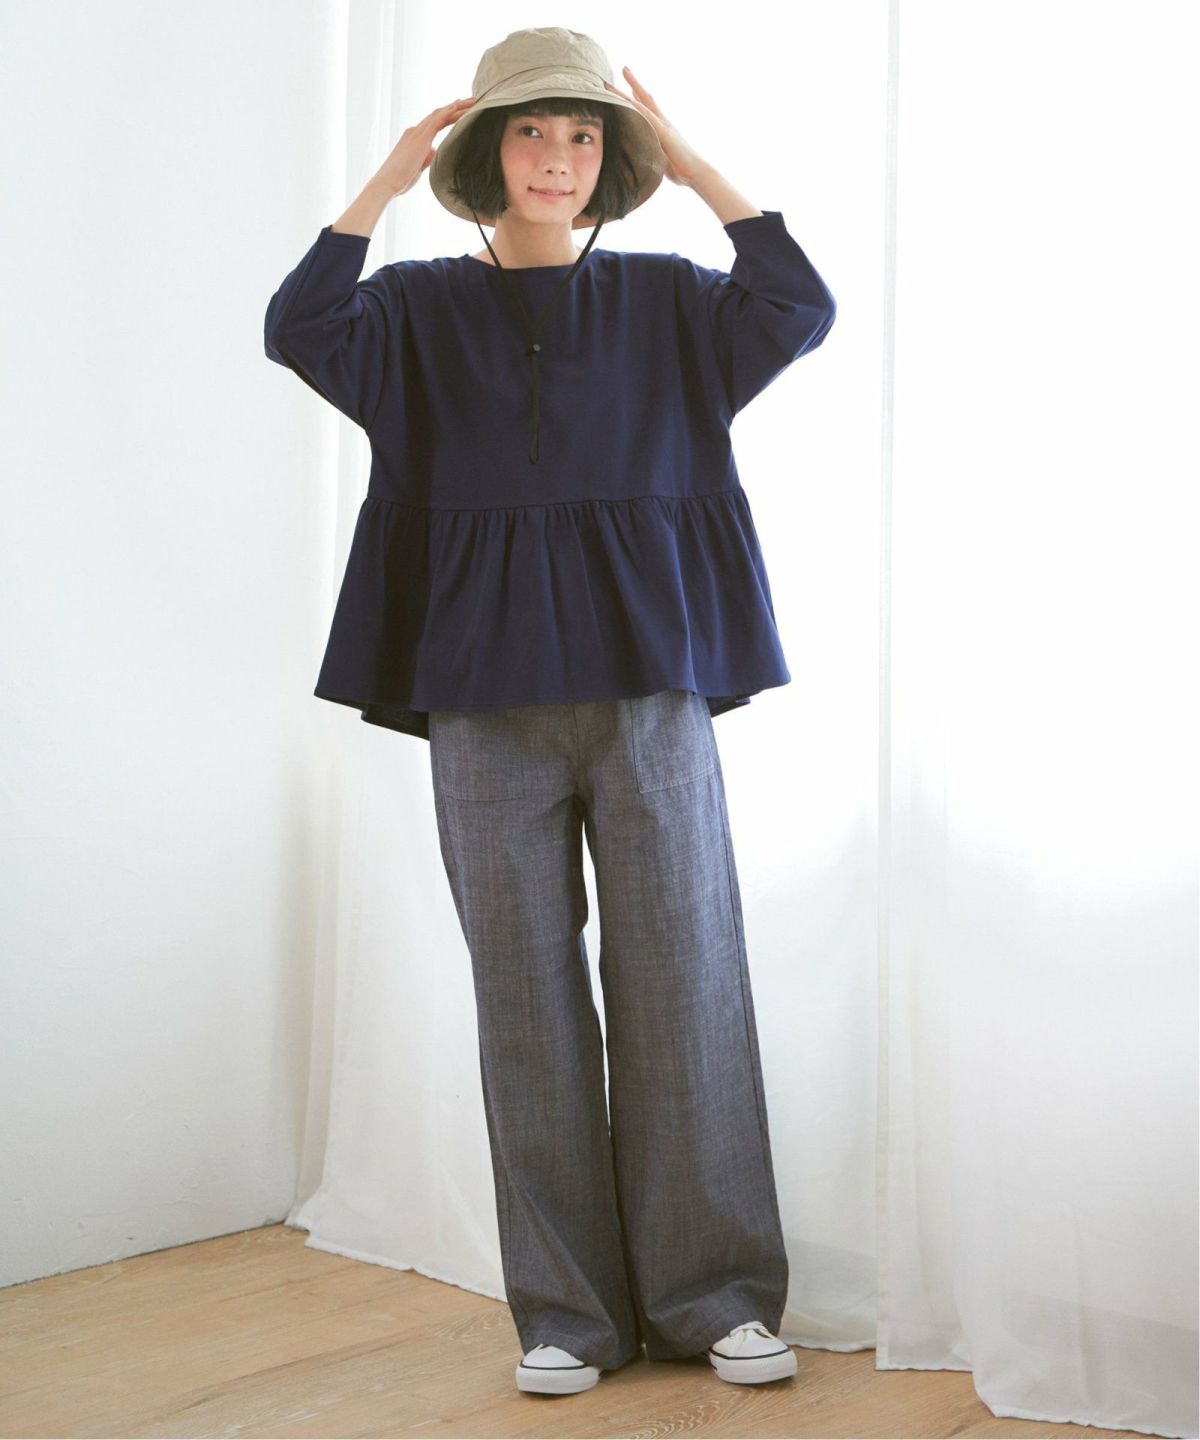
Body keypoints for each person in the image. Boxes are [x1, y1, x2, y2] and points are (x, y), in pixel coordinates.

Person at [264, 25, 836, 1398]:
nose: (559, 158)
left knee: (685, 987)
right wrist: (385, 179)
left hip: (649, 691)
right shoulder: (411, 310)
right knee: (524, 1005)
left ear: (612, 158)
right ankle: (567, 1315)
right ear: (484, 150)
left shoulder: (671, 301)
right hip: (483, 704)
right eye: (531, 131)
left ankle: (717, 1300)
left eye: (585, 135)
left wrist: (691, 164)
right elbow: (298, 328)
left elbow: (796, 304)